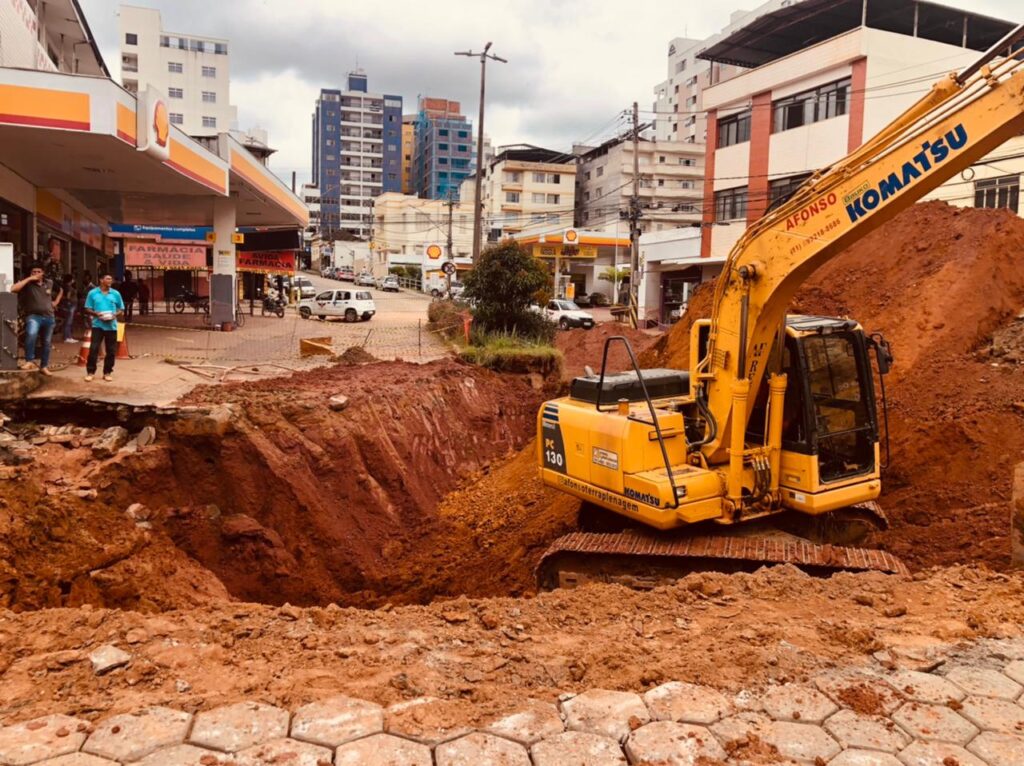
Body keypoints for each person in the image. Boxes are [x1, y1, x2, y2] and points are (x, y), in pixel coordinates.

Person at [11, 262, 62, 376]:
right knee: (31, 334)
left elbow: (61, 290)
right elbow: (13, 289)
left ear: (43, 273)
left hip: (49, 317)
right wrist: (29, 278)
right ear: (30, 273)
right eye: (33, 272)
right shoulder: (27, 284)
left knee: (47, 343)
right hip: (34, 316)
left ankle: (44, 366)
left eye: (38, 271)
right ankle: (29, 360)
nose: (36, 274)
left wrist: (56, 301)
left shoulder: (49, 283)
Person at [82, 271, 125, 382]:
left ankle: (107, 372)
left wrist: (115, 314)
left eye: (111, 279)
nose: (110, 281)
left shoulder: (115, 293)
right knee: (93, 349)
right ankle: (90, 372)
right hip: (97, 325)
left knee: (111, 351)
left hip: (112, 326)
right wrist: (96, 314)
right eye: (108, 279)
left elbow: (121, 308)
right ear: (101, 280)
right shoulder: (92, 293)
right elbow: (87, 308)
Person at [59, 274, 79, 344]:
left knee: (68, 322)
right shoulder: (69, 287)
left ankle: (68, 336)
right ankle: (67, 337)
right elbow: (68, 297)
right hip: (70, 305)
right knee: (68, 322)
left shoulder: (65, 286)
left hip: (69, 305)